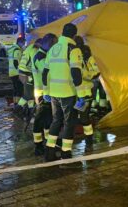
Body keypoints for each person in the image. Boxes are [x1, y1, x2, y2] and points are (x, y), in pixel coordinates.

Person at [42, 23, 83, 161]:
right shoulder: (73, 49)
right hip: (68, 93)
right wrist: (81, 95)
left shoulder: (53, 48)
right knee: (69, 123)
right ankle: (66, 152)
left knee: (56, 121)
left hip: (54, 93)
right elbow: (76, 74)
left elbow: (45, 72)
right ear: (74, 35)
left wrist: (46, 91)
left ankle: (49, 150)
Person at [31, 34, 57, 156]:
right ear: (48, 43)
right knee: (39, 119)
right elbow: (47, 73)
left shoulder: (44, 55)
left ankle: (47, 142)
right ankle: (38, 145)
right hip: (41, 93)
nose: (54, 46)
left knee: (48, 119)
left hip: (46, 92)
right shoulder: (40, 57)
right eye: (53, 44)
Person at [76, 44, 100, 152]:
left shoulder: (89, 59)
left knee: (84, 118)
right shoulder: (77, 59)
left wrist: (86, 75)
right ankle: (86, 138)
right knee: (81, 116)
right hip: (78, 93)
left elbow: (96, 72)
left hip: (86, 93)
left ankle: (89, 140)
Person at [18, 38, 40, 119]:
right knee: (28, 94)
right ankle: (17, 109)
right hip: (26, 73)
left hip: (23, 72)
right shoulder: (34, 50)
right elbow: (35, 64)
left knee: (30, 92)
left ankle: (31, 111)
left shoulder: (30, 47)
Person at [8, 37, 25, 109]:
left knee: (15, 89)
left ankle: (15, 103)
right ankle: (18, 105)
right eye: (23, 43)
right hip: (16, 73)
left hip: (11, 73)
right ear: (20, 42)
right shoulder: (17, 50)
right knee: (19, 89)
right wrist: (20, 71)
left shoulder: (12, 49)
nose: (24, 44)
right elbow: (16, 62)